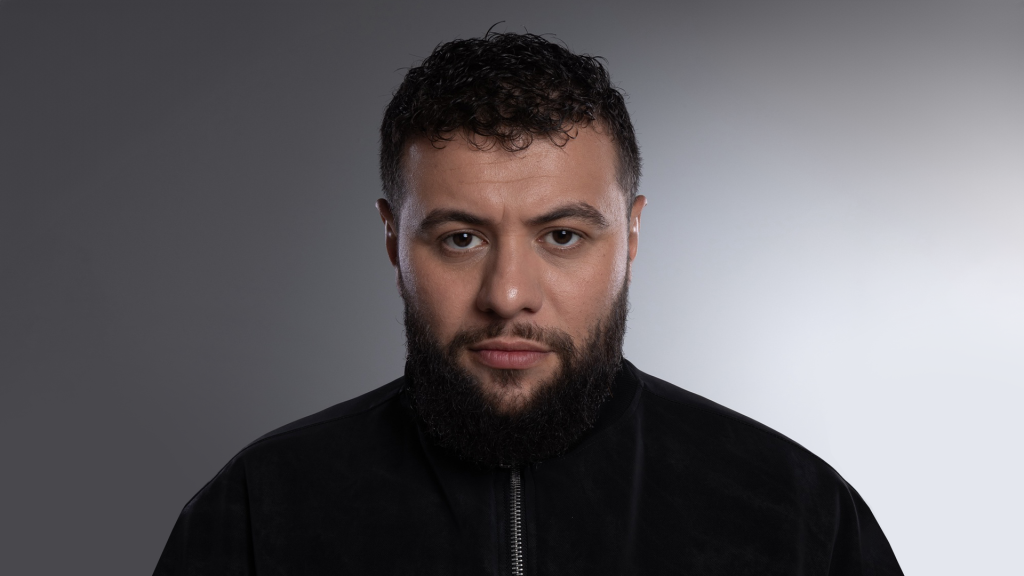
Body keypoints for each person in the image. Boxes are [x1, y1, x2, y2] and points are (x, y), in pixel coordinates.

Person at [154, 31, 903, 575]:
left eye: (563, 236)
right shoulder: (256, 514)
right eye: (460, 239)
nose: (508, 295)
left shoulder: (795, 513)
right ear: (392, 239)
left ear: (632, 235)